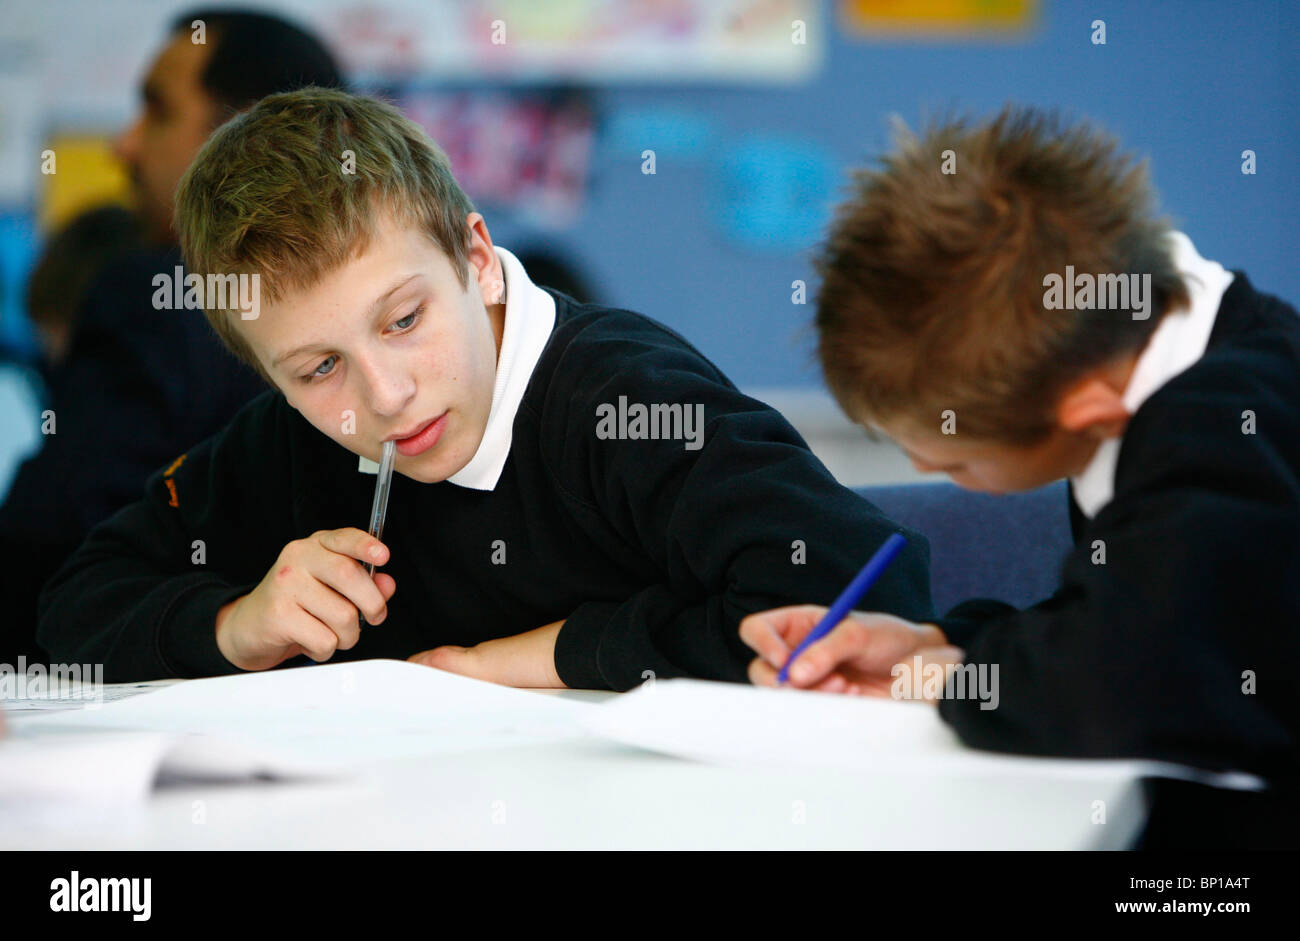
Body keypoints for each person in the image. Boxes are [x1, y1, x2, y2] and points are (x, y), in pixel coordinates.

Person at [38, 87, 932, 688]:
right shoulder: (292, 439)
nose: (384, 395)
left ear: (477, 259)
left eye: (403, 319)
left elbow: (865, 594)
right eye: (317, 367)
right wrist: (237, 622)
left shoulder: (620, 400)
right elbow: (80, 599)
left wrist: (532, 658)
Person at [741, 106, 1300, 784]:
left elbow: (1130, 685)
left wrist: (957, 678)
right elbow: (1142, 607)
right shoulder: (1141, 343)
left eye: (956, 460)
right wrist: (940, 644)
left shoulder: (1224, 428)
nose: (924, 469)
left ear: (1087, 411)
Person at [0, 9, 346, 666]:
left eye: (156, 113)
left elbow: (47, 544)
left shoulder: (149, 294)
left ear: (242, 144)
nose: (122, 145)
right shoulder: (353, 303)